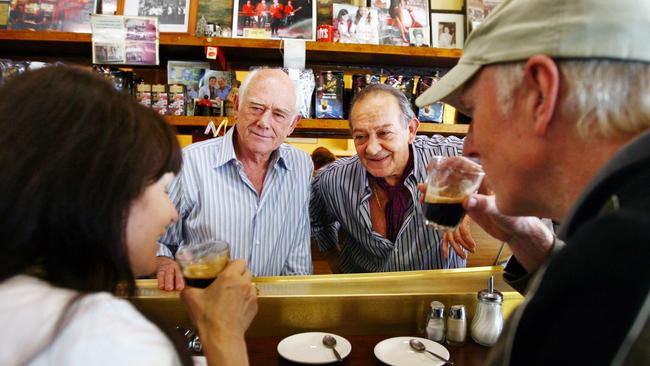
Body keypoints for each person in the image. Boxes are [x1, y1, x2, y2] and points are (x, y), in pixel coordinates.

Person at [415, 0, 650, 364]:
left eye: (474, 112)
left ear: (541, 94)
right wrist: (532, 242)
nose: (469, 144)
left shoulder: (622, 252)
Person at [0, 66, 257, 365]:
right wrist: (223, 330)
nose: (172, 213)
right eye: (162, 189)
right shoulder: (106, 337)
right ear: (100, 194)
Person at [157, 68, 313, 291]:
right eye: (256, 108)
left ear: (293, 124)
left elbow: (297, 249)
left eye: (279, 114)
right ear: (237, 105)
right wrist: (163, 262)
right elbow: (157, 239)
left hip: (271, 309)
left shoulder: (301, 166)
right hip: (203, 310)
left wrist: (295, 309)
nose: (264, 122)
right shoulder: (190, 163)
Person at [311, 84, 475, 273]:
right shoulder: (332, 180)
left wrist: (471, 202)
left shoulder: (449, 155)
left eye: (384, 133)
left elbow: (504, 161)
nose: (372, 148)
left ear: (411, 130)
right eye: (360, 136)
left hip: (440, 294)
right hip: (366, 294)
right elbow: (317, 221)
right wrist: (334, 260)